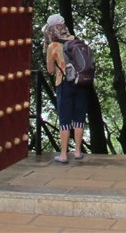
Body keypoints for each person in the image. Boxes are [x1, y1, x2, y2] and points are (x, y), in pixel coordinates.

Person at [44, 13, 89, 164]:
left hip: (63, 83)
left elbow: (50, 70)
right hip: (81, 82)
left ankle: (63, 154)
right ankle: (77, 151)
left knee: (65, 118)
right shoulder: (77, 40)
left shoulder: (52, 46)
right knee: (79, 117)